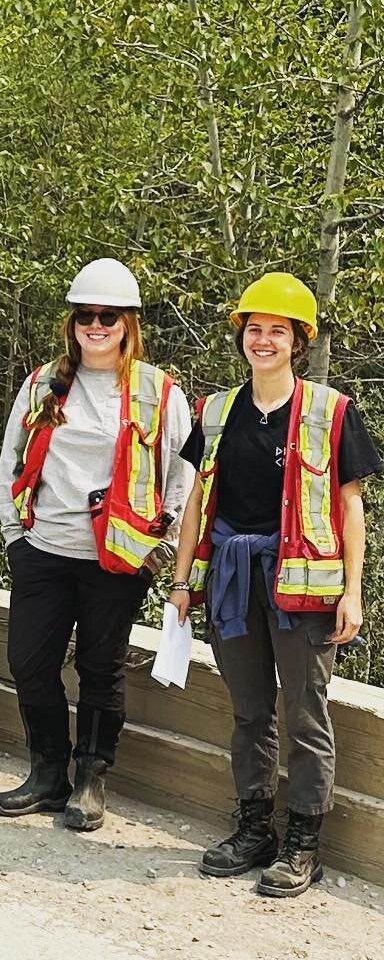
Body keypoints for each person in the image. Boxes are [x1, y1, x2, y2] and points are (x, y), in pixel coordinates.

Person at [171, 272, 378, 896]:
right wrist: (182, 581)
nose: (264, 341)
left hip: (303, 590)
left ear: (299, 341)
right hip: (234, 580)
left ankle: (303, 843)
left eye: (277, 331)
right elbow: (195, 503)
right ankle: (255, 827)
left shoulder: (332, 412)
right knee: (249, 711)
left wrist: (352, 592)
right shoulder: (217, 410)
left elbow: (350, 508)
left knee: (306, 715)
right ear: (242, 337)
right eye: (254, 329)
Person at [0, 259, 193, 828]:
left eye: (108, 316)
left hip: (118, 559)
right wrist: (14, 535)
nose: (95, 326)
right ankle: (47, 772)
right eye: (85, 316)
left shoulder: (159, 391)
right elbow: (11, 459)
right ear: (72, 322)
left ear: (128, 323)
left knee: (101, 669)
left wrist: (160, 543)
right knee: (29, 662)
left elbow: (183, 473)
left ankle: (90, 779)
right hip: (45, 549)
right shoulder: (43, 384)